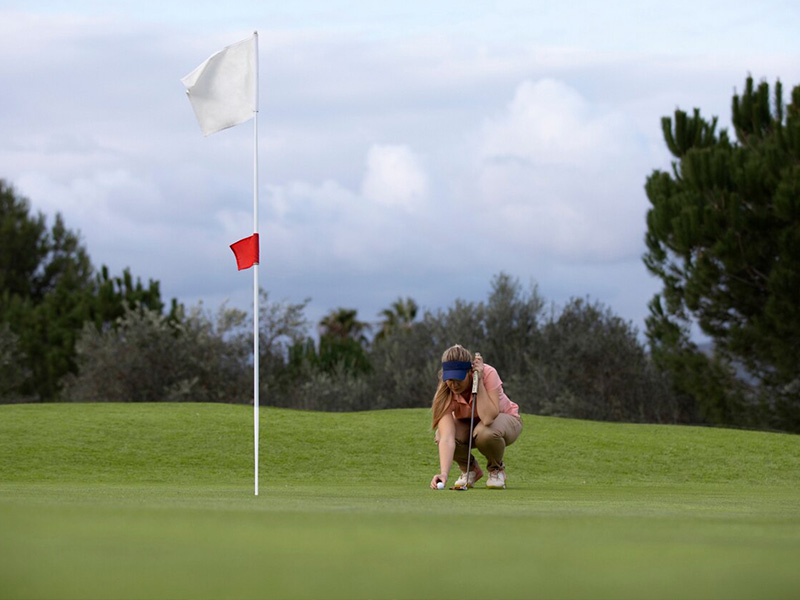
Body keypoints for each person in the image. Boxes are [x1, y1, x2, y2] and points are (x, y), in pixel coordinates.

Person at [429, 344, 522, 490]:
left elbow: (488, 418)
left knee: (485, 432)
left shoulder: (488, 373)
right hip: (471, 425)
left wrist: (479, 382)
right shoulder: (445, 391)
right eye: (450, 379)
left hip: (505, 421)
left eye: (459, 379)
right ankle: (470, 470)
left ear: (469, 372)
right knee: (440, 434)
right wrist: (444, 474)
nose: (454, 385)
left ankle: (496, 470)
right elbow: (447, 438)